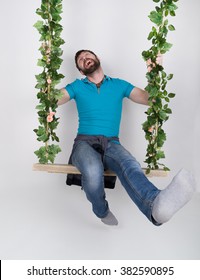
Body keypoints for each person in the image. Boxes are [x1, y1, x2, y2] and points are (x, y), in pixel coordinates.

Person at [58, 49, 195, 226]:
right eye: (81, 60)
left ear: (97, 58)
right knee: (92, 170)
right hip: (84, 142)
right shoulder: (77, 86)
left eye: (87, 55)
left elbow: (151, 100)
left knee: (130, 164)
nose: (85, 59)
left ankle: (155, 205)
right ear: (81, 70)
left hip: (111, 142)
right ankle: (101, 210)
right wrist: (47, 71)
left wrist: (156, 71)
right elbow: (52, 99)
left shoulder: (119, 85)